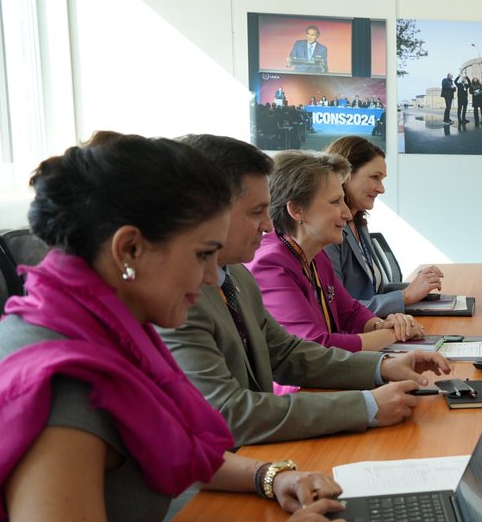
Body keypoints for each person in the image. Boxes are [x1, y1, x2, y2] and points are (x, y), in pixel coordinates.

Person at [0, 132, 349, 522]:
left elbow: (160, 443)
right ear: (130, 249)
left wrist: (267, 475)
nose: (213, 278)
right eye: (203, 255)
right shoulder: (60, 382)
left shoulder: (100, 325)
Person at [159, 135, 450, 446]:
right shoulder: (178, 297)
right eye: (256, 212)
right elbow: (229, 413)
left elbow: (287, 353)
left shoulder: (237, 276)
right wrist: (366, 404)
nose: (269, 226)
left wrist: (383, 367)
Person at [245, 151, 419, 351]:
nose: (346, 213)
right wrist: (393, 333)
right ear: (297, 210)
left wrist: (381, 324)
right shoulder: (269, 264)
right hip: (304, 381)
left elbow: (350, 312)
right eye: (336, 202)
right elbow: (316, 347)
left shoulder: (315, 253)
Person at [321, 136, 443, 316]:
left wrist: (419, 285)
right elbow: (338, 309)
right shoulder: (327, 233)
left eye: (382, 179)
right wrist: (405, 296)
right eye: (374, 177)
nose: (381, 188)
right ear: (344, 176)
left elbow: (373, 289)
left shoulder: (358, 223)